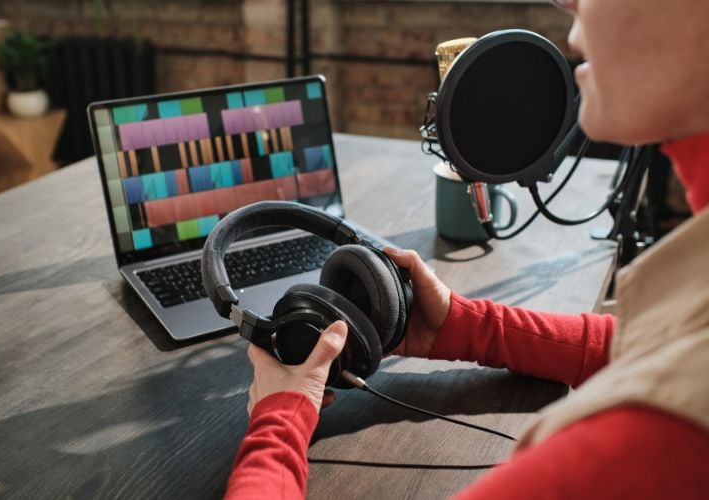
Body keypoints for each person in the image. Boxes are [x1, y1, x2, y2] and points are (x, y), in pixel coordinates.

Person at [225, 0, 709, 497]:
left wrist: (279, 422)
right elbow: (633, 345)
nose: (564, 1)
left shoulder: (659, 441)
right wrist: (467, 327)